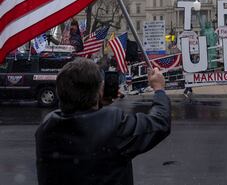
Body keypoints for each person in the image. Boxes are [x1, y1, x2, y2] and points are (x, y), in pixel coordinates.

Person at [35, 58, 170, 185]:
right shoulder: (113, 124)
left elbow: (78, 114)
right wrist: (159, 90)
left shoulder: (46, 128)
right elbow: (159, 122)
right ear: (99, 91)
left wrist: (96, 102)